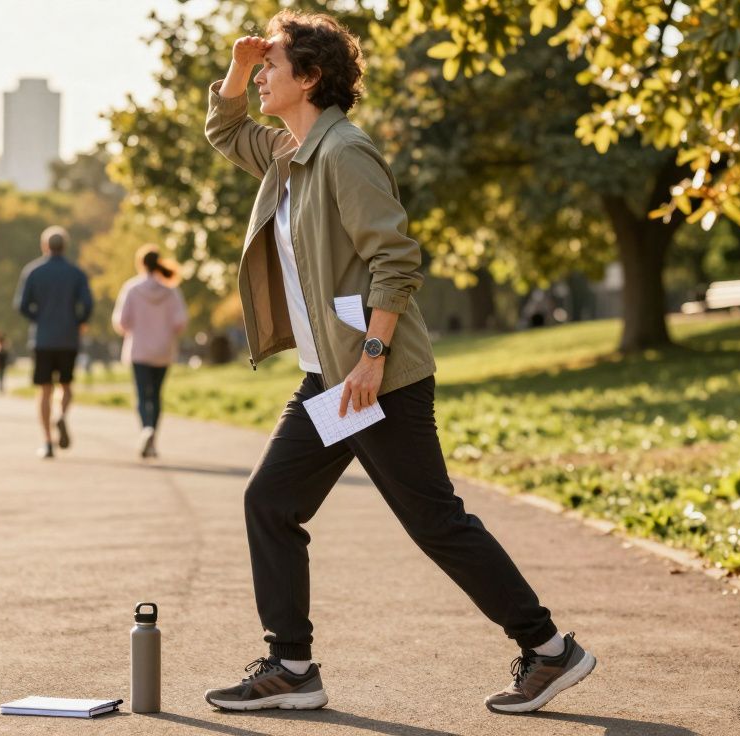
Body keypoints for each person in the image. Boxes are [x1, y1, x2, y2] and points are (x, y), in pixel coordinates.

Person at [201, 11, 594, 716]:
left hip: (378, 379)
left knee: (435, 523)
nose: (261, 74)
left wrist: (374, 357)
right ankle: (292, 666)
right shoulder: (291, 153)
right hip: (332, 378)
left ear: (311, 77)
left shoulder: (344, 152)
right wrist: (238, 61)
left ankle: (549, 651)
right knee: (271, 502)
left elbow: (395, 259)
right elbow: (224, 131)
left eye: (273, 65)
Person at [14, 225, 93, 458]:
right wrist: (78, 321)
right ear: (65, 246)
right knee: (66, 385)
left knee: (44, 390)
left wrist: (38, 318)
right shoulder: (76, 273)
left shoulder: (33, 272)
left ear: (44, 246)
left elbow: (21, 305)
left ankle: (47, 440)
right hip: (68, 338)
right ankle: (62, 415)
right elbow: (87, 304)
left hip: (43, 338)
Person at [112, 245, 189, 459]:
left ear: (140, 264)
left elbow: (121, 322)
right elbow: (181, 322)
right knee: (155, 395)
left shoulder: (132, 288)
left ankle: (146, 428)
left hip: (139, 350)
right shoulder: (171, 290)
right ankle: (153, 438)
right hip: (163, 351)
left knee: (141, 393)